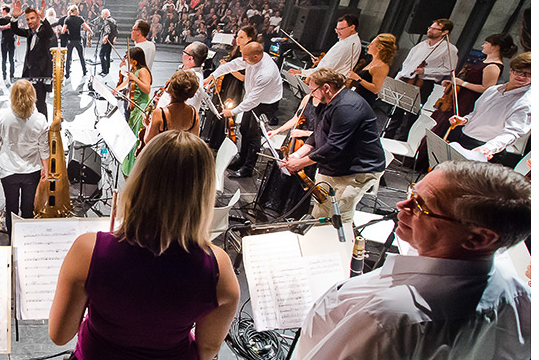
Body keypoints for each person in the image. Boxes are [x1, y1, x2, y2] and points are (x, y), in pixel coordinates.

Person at [261, 161, 531, 360]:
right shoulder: (520, 297)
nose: (402, 205)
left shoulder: (398, 316)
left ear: (478, 238)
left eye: (421, 206)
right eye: (412, 192)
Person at [35, 131, 240, 360]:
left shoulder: (89, 251)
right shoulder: (219, 270)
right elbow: (206, 349)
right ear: (204, 192)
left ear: (139, 180)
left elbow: (59, 334)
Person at [280, 68, 387, 223]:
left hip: (358, 169)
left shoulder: (347, 107)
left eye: (313, 90)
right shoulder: (325, 101)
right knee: (321, 208)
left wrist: (300, 163)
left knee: (339, 215)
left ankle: (340, 238)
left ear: (326, 87)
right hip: (335, 165)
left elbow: (334, 146)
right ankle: (318, 235)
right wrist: (297, 155)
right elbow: (318, 132)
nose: (311, 95)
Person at [206, 41, 284, 178]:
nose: (242, 60)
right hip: (253, 98)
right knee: (244, 129)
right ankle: (241, 160)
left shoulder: (266, 73)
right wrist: (212, 77)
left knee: (253, 135)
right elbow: (232, 65)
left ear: (256, 57)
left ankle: (247, 168)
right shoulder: (252, 58)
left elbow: (253, 101)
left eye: (245, 57)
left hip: (265, 103)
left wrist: (232, 112)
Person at [447, 52, 531, 168]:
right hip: (464, 137)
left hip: (485, 147)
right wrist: (465, 120)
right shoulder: (493, 90)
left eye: (529, 74)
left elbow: (512, 133)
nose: (522, 76)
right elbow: (476, 113)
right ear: (511, 71)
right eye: (519, 71)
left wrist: (488, 148)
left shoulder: (526, 102)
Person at [383, 18, 458, 140]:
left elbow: (449, 69)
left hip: (424, 83)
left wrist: (426, 71)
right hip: (408, 79)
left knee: (411, 114)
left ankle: (403, 139)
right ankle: (387, 136)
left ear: (445, 32)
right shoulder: (421, 45)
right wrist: (399, 78)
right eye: (430, 27)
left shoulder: (449, 49)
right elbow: (407, 63)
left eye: (435, 29)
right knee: (397, 111)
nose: (430, 30)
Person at [0, 80, 49, 235]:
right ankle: (27, 239)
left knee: (11, 207)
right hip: (31, 170)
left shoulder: (3, 116)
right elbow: (44, 148)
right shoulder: (40, 119)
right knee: (28, 208)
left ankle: (12, 239)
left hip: (8, 170)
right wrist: (45, 168)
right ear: (33, 95)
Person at [431, 32, 517, 133]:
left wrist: (463, 83)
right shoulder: (483, 60)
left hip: (467, 101)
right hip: (459, 96)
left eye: (487, 43)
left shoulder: (493, 66)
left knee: (446, 128)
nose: (483, 45)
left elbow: (487, 88)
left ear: (495, 47)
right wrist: (453, 83)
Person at [9, 0, 56, 118]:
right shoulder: (30, 32)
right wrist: (15, 18)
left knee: (40, 104)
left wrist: (44, 17)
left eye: (32, 18)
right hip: (28, 74)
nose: (30, 21)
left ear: (38, 18)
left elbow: (50, 33)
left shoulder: (44, 31)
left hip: (41, 75)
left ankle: (43, 126)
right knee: (26, 103)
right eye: (28, 19)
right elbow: (15, 30)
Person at [289, 14, 362, 78]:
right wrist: (322, 62)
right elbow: (337, 64)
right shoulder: (354, 40)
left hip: (330, 81)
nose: (337, 32)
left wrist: (301, 72)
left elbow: (326, 70)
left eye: (341, 29)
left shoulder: (345, 45)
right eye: (336, 29)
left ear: (352, 27)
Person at [116, 47, 152, 177]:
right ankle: (129, 165)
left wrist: (135, 79)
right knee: (131, 135)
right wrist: (116, 90)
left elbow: (147, 89)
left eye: (129, 58)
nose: (127, 60)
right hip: (133, 106)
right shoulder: (134, 69)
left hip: (141, 106)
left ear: (135, 60)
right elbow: (127, 82)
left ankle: (135, 168)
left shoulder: (143, 71)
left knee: (138, 138)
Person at [145, 70, 202, 144]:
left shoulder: (160, 113)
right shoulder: (193, 112)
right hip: (183, 151)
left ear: (170, 88)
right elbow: (195, 140)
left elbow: (148, 141)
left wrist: (147, 125)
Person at [346, 33, 397, 109]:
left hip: (363, 103)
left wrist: (358, 78)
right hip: (356, 98)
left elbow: (375, 89)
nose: (368, 46)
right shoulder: (372, 61)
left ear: (379, 48)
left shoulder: (382, 66)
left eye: (371, 44)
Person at [59, 4, 92, 77]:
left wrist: (65, 30)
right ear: (76, 11)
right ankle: (84, 71)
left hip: (70, 40)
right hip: (78, 40)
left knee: (68, 57)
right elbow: (86, 26)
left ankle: (67, 73)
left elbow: (63, 31)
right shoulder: (80, 19)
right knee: (81, 56)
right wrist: (91, 31)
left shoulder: (67, 19)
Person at [0, 5, 18, 83]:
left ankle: (4, 75)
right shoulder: (12, 19)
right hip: (11, 40)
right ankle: (12, 75)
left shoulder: (3, 19)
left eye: (2, 10)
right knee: (11, 59)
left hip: (4, 41)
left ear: (4, 11)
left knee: (4, 59)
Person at [99, 8, 118, 77]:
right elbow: (116, 31)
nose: (101, 16)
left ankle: (104, 70)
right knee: (107, 55)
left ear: (105, 14)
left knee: (101, 55)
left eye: (102, 14)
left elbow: (107, 29)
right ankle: (107, 70)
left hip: (106, 41)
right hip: (111, 41)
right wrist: (114, 38)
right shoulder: (113, 21)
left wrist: (106, 36)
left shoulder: (106, 21)